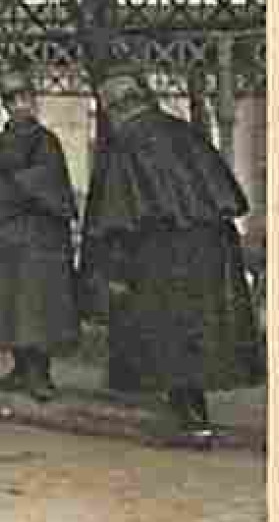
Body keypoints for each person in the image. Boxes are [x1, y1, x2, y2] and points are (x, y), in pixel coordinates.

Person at [79, 62, 265, 441]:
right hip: (210, 247)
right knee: (198, 330)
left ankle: (189, 415)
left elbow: (118, 218)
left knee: (171, 331)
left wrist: (114, 271)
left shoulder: (126, 144)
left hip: (163, 252)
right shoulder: (182, 132)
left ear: (116, 109)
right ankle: (190, 408)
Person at [0, 67, 79, 401]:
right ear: (7, 105)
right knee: (7, 304)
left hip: (36, 237)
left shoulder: (46, 142)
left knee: (36, 306)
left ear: (33, 101)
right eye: (13, 100)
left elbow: (44, 183)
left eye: (26, 98)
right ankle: (20, 368)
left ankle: (40, 374)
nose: (21, 105)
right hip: (0, 236)